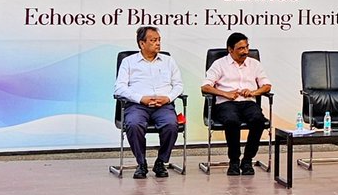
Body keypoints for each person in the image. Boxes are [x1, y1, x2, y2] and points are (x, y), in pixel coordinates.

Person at [113, 26, 184, 179]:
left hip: (163, 105)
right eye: (153, 40)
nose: (158, 43)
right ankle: (141, 163)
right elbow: (119, 88)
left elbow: (178, 85)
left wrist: (168, 98)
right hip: (137, 106)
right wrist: (141, 98)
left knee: (171, 125)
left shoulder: (168, 61)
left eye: (159, 40)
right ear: (142, 44)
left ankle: (161, 162)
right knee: (133, 124)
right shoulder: (129, 62)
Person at [201, 32, 270, 176]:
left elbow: (267, 86)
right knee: (232, 121)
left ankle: (247, 160)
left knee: (258, 120)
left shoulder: (254, 64)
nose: (245, 51)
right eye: (240, 48)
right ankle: (234, 161)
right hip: (226, 103)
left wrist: (253, 92)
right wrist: (226, 93)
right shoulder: (219, 64)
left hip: (248, 102)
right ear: (230, 49)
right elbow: (205, 87)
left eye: (246, 47)